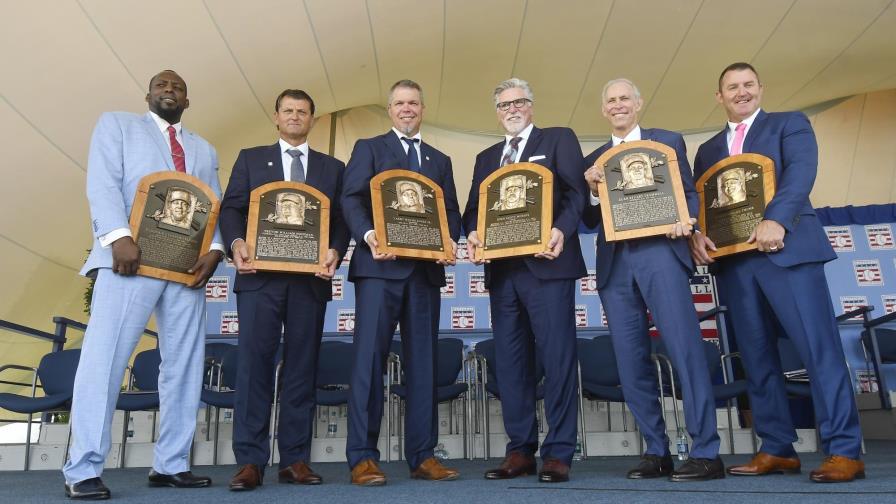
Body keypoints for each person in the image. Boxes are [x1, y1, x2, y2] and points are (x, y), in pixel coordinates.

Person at [690, 62, 864, 483]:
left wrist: (778, 220)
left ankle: (844, 449)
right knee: (757, 358)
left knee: (817, 350)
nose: (741, 91)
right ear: (720, 96)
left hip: (788, 252)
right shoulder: (708, 149)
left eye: (748, 84)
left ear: (760, 88)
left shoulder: (789, 124)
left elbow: (801, 174)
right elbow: (704, 204)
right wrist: (696, 235)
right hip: (735, 263)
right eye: (732, 87)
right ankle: (777, 448)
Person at [63, 70, 223, 499]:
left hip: (185, 269)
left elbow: (213, 203)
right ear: (148, 94)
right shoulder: (117, 125)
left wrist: (218, 250)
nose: (169, 90)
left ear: (187, 101)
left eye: (178, 88)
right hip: (128, 262)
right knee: (105, 360)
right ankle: (83, 469)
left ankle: (171, 464)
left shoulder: (205, 149)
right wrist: (118, 237)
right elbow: (101, 182)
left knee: (185, 366)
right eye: (161, 85)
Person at [582, 78, 723, 481]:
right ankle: (655, 451)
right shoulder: (594, 157)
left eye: (625, 97)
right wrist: (592, 189)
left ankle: (706, 451)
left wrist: (690, 222)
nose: (618, 104)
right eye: (611, 100)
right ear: (604, 109)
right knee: (630, 361)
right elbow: (588, 218)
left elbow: (689, 193)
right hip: (615, 263)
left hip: (662, 252)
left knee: (685, 351)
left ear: (639, 103)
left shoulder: (668, 140)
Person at [219, 89, 350, 491]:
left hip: (309, 283)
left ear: (312, 119)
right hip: (259, 280)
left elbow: (343, 219)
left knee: (301, 370)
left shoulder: (333, 167)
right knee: (254, 367)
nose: (295, 117)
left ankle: (294, 459)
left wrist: (335, 249)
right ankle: (250, 462)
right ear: (276, 117)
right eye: (288, 111)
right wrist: (237, 242)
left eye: (303, 112)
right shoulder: (250, 158)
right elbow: (231, 208)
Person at [464, 78, 587, 483]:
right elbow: (472, 212)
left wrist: (562, 231)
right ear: (496, 112)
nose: (511, 109)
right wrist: (472, 234)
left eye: (518, 102)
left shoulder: (558, 140)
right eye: (503, 105)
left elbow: (575, 195)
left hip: (548, 265)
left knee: (557, 359)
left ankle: (558, 451)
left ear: (531, 105)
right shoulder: (486, 158)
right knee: (512, 365)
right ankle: (519, 450)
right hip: (503, 274)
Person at [341, 79, 462, 486]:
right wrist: (370, 236)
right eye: (399, 103)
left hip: (424, 274)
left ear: (422, 109)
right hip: (379, 269)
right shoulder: (369, 148)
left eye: (413, 103)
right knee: (368, 363)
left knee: (423, 365)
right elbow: (351, 198)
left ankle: (423, 455)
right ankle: (362, 457)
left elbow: (451, 212)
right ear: (390, 110)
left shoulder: (439, 159)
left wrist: (449, 240)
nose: (406, 109)